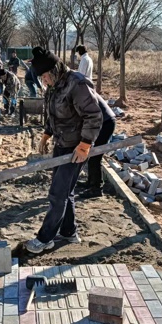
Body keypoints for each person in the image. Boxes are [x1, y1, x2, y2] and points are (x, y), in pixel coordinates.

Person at [27, 46, 102, 254]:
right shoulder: (54, 86)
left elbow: (94, 115)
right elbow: (53, 114)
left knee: (57, 193)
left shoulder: (77, 84)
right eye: (41, 78)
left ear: (54, 71)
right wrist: (46, 134)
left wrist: (85, 145)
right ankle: (69, 232)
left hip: (77, 147)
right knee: (64, 192)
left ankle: (45, 238)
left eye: (44, 76)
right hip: (62, 144)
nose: (43, 81)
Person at [79, 94, 116, 198]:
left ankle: (96, 188)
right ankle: (91, 182)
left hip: (106, 123)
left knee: (95, 157)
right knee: (92, 155)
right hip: (102, 121)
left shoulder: (80, 92)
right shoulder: (81, 90)